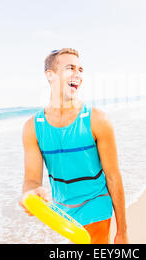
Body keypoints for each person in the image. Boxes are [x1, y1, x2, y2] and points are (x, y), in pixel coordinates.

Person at [19, 48, 128, 244]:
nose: (78, 74)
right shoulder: (33, 127)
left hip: (96, 205)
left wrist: (122, 230)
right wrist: (29, 194)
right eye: (70, 68)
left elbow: (113, 176)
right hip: (62, 212)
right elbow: (32, 180)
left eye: (80, 69)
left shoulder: (97, 120)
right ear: (50, 75)